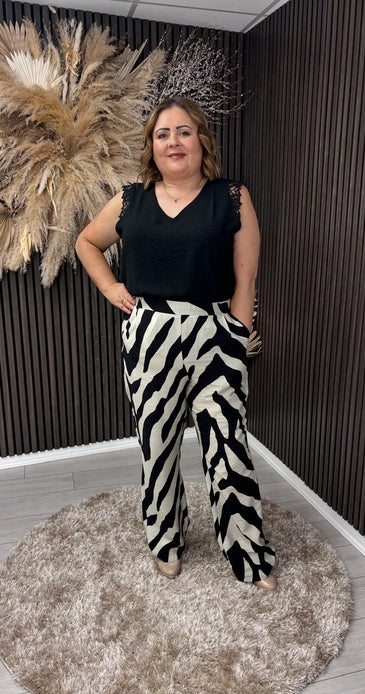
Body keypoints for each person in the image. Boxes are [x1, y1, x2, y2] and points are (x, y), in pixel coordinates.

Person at [75, 96, 276, 590]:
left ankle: (247, 552)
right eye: (163, 134)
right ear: (152, 146)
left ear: (201, 140)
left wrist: (237, 335)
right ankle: (165, 537)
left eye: (184, 131)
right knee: (157, 442)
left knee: (227, 444)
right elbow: (87, 242)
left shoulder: (232, 197)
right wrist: (111, 288)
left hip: (215, 332)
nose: (173, 142)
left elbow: (246, 277)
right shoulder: (131, 199)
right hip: (150, 334)